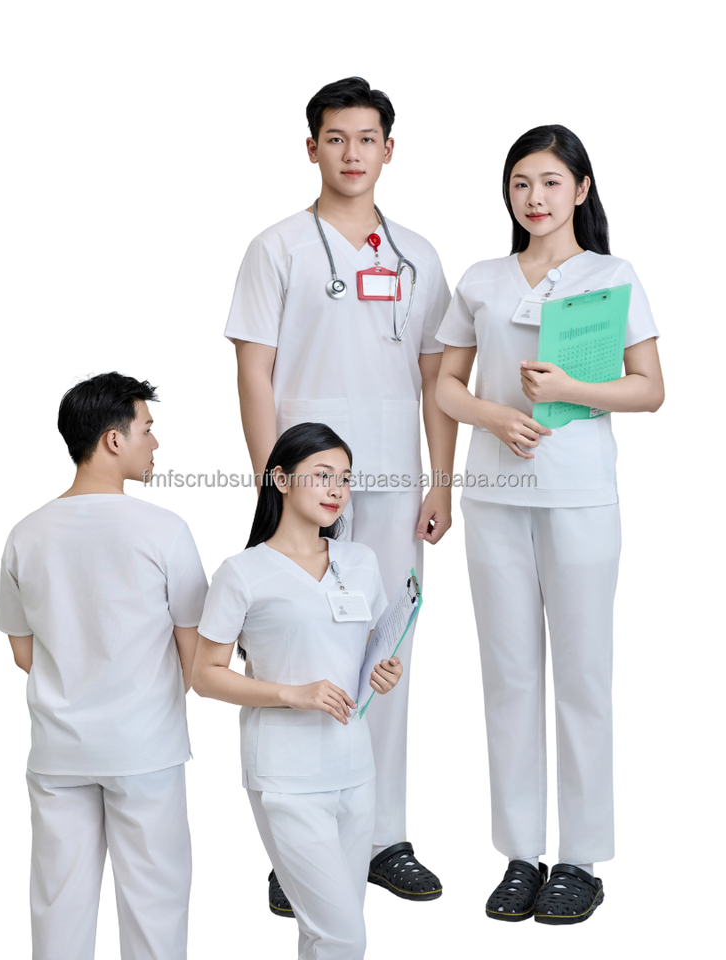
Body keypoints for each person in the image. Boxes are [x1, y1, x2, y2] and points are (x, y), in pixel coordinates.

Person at [225, 75, 455, 909]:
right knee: (297, 651)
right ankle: (298, 848)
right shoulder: (278, 248)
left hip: (393, 479)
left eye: (366, 139)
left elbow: (436, 377)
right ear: (311, 147)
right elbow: (254, 372)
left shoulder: (418, 256)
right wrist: (275, 484)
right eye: (335, 138)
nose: (351, 153)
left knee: (385, 652)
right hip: (306, 483)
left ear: (388, 150)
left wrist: (441, 480)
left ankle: (381, 837)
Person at [435, 125, 664, 924]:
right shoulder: (482, 279)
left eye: (551, 183)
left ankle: (580, 860)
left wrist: (572, 388)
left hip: (578, 498)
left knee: (582, 677)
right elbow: (445, 387)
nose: (534, 198)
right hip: (495, 500)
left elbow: (650, 388)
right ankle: (520, 853)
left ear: (582, 190)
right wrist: (494, 416)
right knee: (508, 678)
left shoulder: (611, 276)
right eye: (521, 184)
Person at [0, 372, 209, 959]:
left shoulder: (25, 534)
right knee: (155, 911)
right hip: (145, 749)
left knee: (58, 911)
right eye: (147, 429)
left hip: (58, 751)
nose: (155, 443)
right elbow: (196, 658)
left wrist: (79, 676)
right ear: (114, 440)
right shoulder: (165, 531)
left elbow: (22, 652)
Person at [193, 422, 404, 960]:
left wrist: (386, 671)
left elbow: (373, 647)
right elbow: (205, 674)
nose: (337, 490)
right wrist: (294, 694)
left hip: (355, 768)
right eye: (322, 475)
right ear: (281, 480)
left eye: (345, 478)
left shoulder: (360, 562)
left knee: (325, 932)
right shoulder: (242, 573)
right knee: (343, 936)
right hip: (286, 776)